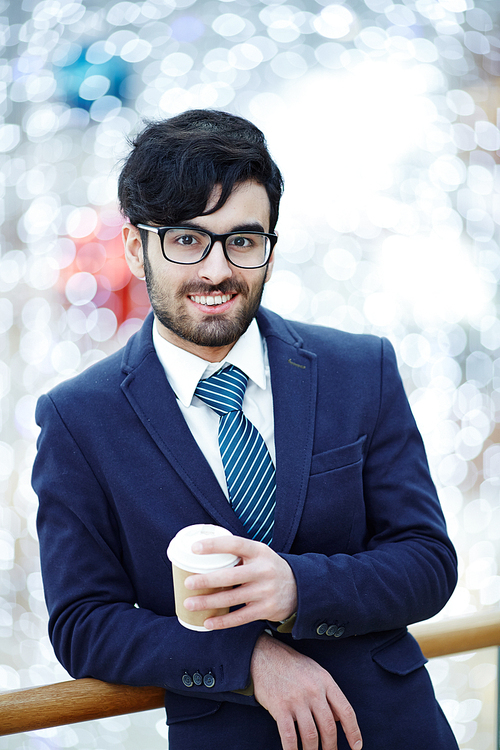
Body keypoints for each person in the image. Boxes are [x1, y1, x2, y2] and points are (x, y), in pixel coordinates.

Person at [33, 109, 459, 750]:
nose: (215, 270)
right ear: (134, 246)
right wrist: (248, 660)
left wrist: (297, 588)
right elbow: (82, 624)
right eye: (185, 239)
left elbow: (428, 562)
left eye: (243, 240)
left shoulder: (360, 368)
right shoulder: (78, 419)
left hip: (394, 729)